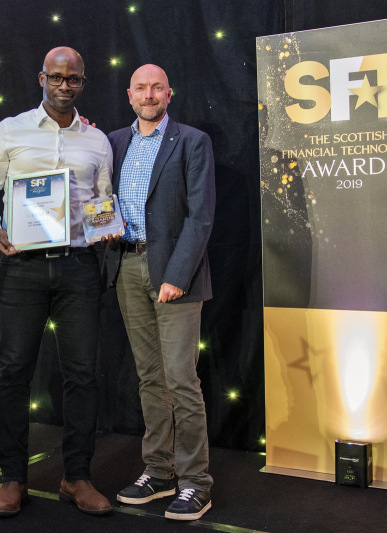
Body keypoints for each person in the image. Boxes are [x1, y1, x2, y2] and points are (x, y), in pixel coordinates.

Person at [0, 46, 113, 517]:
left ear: (83, 81)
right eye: (56, 77)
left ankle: (76, 477)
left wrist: (105, 228)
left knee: (82, 374)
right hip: (21, 265)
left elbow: (103, 199)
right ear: (41, 77)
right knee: (13, 373)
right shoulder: (9, 131)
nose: (64, 86)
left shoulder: (97, 141)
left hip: (79, 266)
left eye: (73, 79)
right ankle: (12, 478)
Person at [106, 64, 215, 521]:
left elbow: (201, 216)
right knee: (149, 377)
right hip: (126, 266)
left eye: (157, 88)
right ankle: (159, 470)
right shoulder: (112, 142)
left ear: (169, 93)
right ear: (129, 95)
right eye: (141, 88)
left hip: (174, 275)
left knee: (181, 380)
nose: (148, 95)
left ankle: (196, 483)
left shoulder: (192, 141)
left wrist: (178, 275)